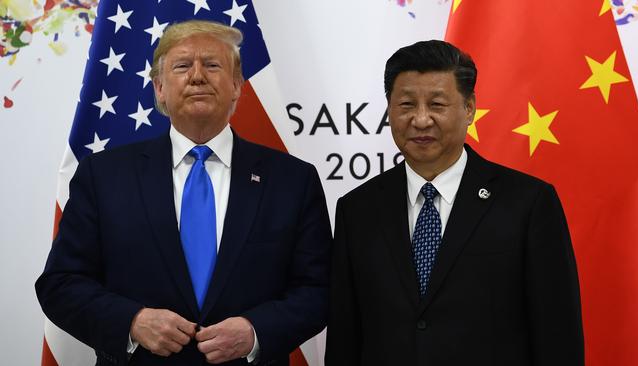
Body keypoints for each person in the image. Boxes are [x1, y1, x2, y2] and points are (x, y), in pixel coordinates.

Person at [36, 20, 331, 366]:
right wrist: (132, 322)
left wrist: (255, 332)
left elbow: (321, 290)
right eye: (182, 66)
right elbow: (60, 284)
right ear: (159, 88)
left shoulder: (292, 180)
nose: (197, 76)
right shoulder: (102, 176)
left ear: (237, 86)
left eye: (212, 64)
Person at [325, 40, 584, 365]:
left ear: (470, 108)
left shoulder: (528, 204)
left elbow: (557, 335)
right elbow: (345, 337)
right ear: (389, 109)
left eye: (437, 104)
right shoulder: (357, 210)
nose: (420, 120)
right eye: (406, 105)